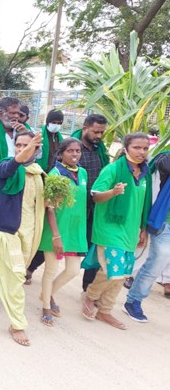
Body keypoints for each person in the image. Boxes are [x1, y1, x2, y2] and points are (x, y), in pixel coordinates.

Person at [0, 130, 45, 346]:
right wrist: (24, 153)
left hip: (30, 231)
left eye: (28, 146)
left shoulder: (38, 173)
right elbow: (10, 166)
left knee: (6, 270)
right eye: (19, 145)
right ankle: (18, 324)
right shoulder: (6, 167)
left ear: (38, 150)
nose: (21, 149)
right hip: (8, 230)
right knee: (17, 275)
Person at [81, 133, 152, 330]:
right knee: (113, 270)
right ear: (126, 148)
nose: (141, 152)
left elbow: (143, 204)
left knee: (123, 274)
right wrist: (113, 192)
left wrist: (142, 229)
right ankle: (90, 296)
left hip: (130, 231)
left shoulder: (144, 173)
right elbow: (95, 195)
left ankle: (105, 310)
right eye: (137, 147)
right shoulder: (113, 169)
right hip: (109, 227)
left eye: (145, 148)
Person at [38, 138, 88, 327]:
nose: (75, 154)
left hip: (75, 230)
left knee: (73, 270)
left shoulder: (82, 173)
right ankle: (45, 307)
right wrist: (56, 235)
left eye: (78, 151)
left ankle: (47, 293)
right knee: (50, 270)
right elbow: (50, 208)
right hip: (56, 229)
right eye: (71, 151)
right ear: (61, 154)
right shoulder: (55, 174)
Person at [124, 151, 170, 322]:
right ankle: (134, 300)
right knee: (157, 262)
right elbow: (162, 166)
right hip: (165, 222)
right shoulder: (165, 159)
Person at [24, 109, 65, 283]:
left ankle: (30, 267)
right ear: (48, 121)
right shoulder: (38, 135)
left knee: (45, 232)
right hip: (37, 182)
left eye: (59, 122)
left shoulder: (60, 139)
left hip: (52, 185)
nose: (56, 125)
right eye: (54, 121)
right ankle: (25, 266)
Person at [70, 115, 110, 290]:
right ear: (85, 127)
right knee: (59, 241)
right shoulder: (72, 148)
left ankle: (87, 288)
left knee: (94, 246)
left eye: (102, 132)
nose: (99, 136)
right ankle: (31, 268)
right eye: (96, 131)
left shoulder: (99, 149)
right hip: (74, 207)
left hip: (94, 208)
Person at [0, 97, 30, 161]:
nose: (16, 116)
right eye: (12, 113)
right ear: (0, 113)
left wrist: (26, 134)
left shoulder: (24, 129)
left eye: (18, 113)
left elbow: (37, 154)